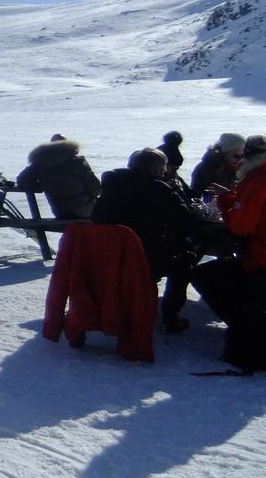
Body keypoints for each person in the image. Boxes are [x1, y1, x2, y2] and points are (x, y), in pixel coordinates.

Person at [92, 147, 203, 334]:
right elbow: (185, 222)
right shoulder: (158, 189)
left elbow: (96, 218)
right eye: (163, 169)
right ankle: (170, 316)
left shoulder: (112, 186)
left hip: (109, 255)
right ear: (155, 170)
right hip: (146, 257)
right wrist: (175, 194)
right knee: (186, 258)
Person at [191, 136, 266, 370]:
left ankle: (249, 338)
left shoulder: (256, 180)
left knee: (207, 276)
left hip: (261, 259)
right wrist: (232, 197)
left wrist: (225, 202)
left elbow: (241, 226)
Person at [15, 134, 101, 219]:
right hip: (85, 210)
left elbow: (22, 181)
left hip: (60, 211)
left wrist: (40, 185)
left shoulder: (39, 163)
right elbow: (96, 190)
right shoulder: (77, 161)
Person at [191, 133, 245, 198]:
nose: (239, 159)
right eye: (236, 156)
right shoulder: (206, 169)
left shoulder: (243, 169)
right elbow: (196, 195)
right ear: (224, 153)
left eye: (243, 155)